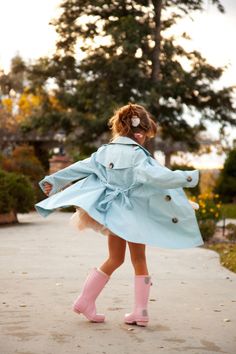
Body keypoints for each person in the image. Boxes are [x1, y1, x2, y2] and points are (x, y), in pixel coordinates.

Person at [35, 103, 203, 327]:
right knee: (139, 259)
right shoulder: (139, 157)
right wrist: (189, 177)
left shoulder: (104, 152)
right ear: (140, 133)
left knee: (115, 258)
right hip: (135, 217)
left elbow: (78, 168)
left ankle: (85, 300)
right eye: (146, 136)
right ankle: (140, 311)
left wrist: (53, 181)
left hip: (113, 214)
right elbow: (161, 179)